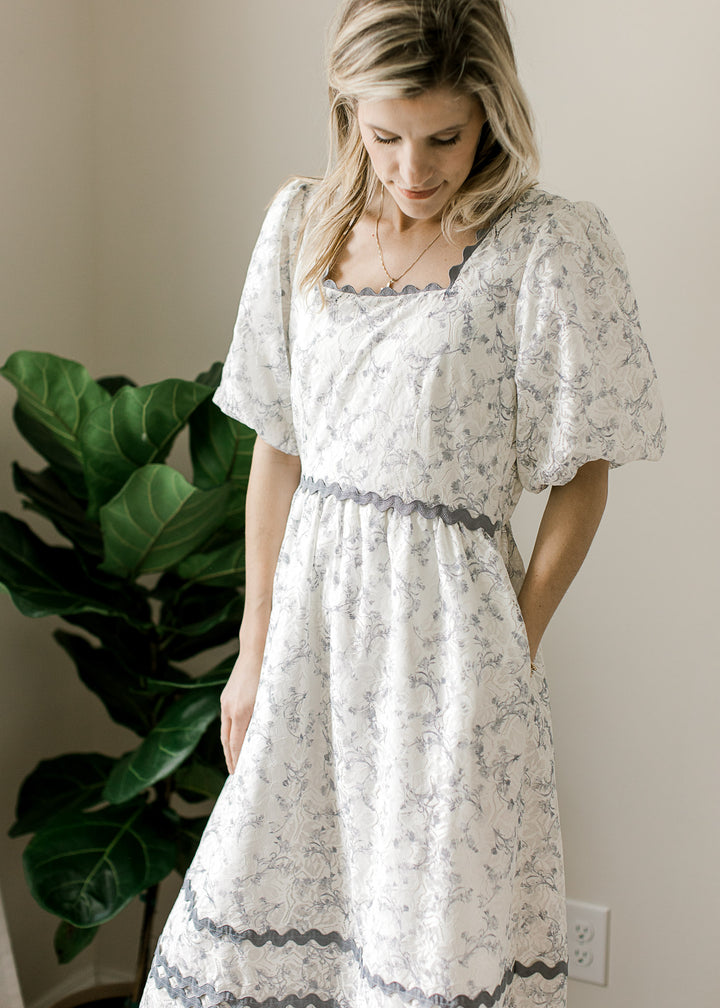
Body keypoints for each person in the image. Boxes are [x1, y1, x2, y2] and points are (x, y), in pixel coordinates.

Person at [140, 1, 665, 1006]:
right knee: (264, 924)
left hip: (455, 658)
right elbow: (279, 447)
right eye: (385, 138)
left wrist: (516, 644)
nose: (414, 170)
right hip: (309, 643)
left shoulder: (546, 248)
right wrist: (251, 652)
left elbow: (585, 471)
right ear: (347, 116)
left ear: (491, 116)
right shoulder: (302, 223)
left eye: (444, 138)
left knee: (424, 941)